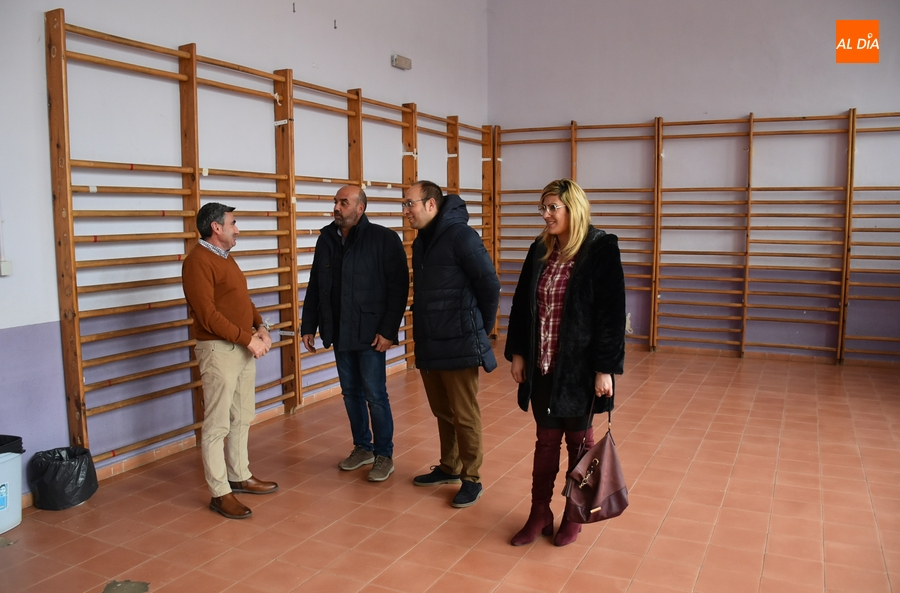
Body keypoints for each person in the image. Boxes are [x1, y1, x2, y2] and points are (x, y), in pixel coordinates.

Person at [504, 178, 626, 546]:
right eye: (543, 208)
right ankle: (539, 512)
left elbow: (611, 315)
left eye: (552, 208)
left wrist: (605, 369)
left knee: (579, 443)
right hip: (543, 365)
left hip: (580, 370)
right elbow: (522, 307)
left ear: (574, 208)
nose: (545, 215)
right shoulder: (539, 249)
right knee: (545, 440)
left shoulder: (600, 247)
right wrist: (519, 353)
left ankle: (575, 512)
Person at [301, 186, 409, 482]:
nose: (336, 207)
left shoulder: (384, 239)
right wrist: (308, 325)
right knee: (351, 394)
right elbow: (315, 284)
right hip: (339, 331)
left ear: (360, 208)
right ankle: (363, 447)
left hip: (371, 334)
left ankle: (384, 454)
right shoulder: (327, 238)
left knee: (375, 395)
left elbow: (399, 288)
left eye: (343, 202)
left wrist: (388, 330)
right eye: (335, 202)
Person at [404, 180, 500, 508]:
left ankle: (472, 477)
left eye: (410, 204)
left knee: (464, 412)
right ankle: (450, 466)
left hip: (459, 340)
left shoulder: (461, 235)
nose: (406, 212)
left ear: (431, 204)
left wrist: (479, 329)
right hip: (431, 341)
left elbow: (489, 284)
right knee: (442, 410)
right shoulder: (421, 242)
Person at [182, 202, 279, 520]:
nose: (238, 229)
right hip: (219, 351)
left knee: (242, 416)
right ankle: (219, 492)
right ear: (216, 227)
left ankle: (240, 476)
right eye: (233, 223)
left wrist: (261, 327)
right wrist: (247, 338)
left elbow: (242, 300)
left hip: (241, 348)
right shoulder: (197, 261)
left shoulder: (226, 258)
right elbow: (208, 315)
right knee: (217, 425)